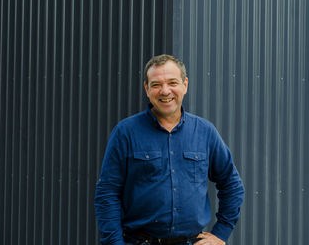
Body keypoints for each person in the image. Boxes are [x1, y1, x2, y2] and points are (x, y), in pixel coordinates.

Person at [94, 54, 244, 245]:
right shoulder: (125, 132)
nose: (165, 91)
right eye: (156, 85)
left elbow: (232, 184)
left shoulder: (205, 132)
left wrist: (221, 233)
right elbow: (107, 193)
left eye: (172, 82)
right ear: (147, 89)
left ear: (185, 85)